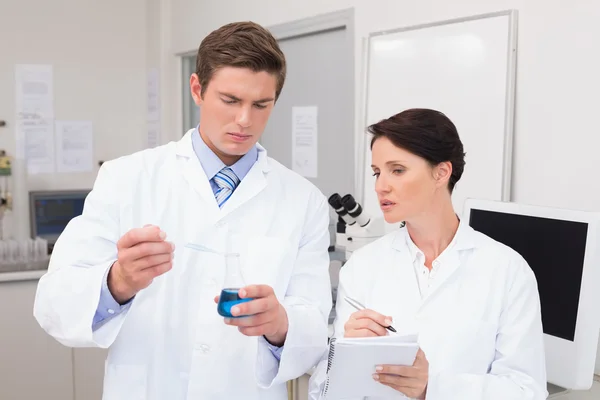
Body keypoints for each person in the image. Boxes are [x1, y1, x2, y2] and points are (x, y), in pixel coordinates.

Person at [33, 21, 332, 400]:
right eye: (230, 100)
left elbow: (313, 324)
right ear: (197, 90)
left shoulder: (303, 200)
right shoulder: (127, 177)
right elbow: (53, 302)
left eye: (261, 105)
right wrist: (118, 282)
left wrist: (280, 323)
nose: (245, 120)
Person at [309, 109, 548, 399]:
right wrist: (346, 353)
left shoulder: (507, 270)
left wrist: (432, 387)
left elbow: (527, 391)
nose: (381, 186)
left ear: (441, 172)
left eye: (397, 170)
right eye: (377, 172)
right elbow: (323, 390)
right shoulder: (362, 268)